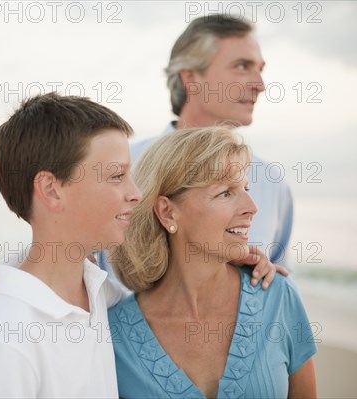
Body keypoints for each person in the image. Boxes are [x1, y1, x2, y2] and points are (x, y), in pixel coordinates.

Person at [108, 127, 317, 398]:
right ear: (167, 212)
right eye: (225, 193)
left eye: (245, 188)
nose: (252, 207)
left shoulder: (278, 297)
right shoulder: (112, 333)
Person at [0, 93, 140, 398]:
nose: (135, 193)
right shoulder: (6, 343)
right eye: (117, 175)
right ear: (51, 190)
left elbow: (164, 307)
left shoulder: (97, 288)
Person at [129, 14, 293, 264]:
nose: (260, 85)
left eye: (260, 69)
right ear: (191, 78)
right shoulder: (123, 168)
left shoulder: (272, 185)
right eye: (242, 66)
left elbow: (277, 291)